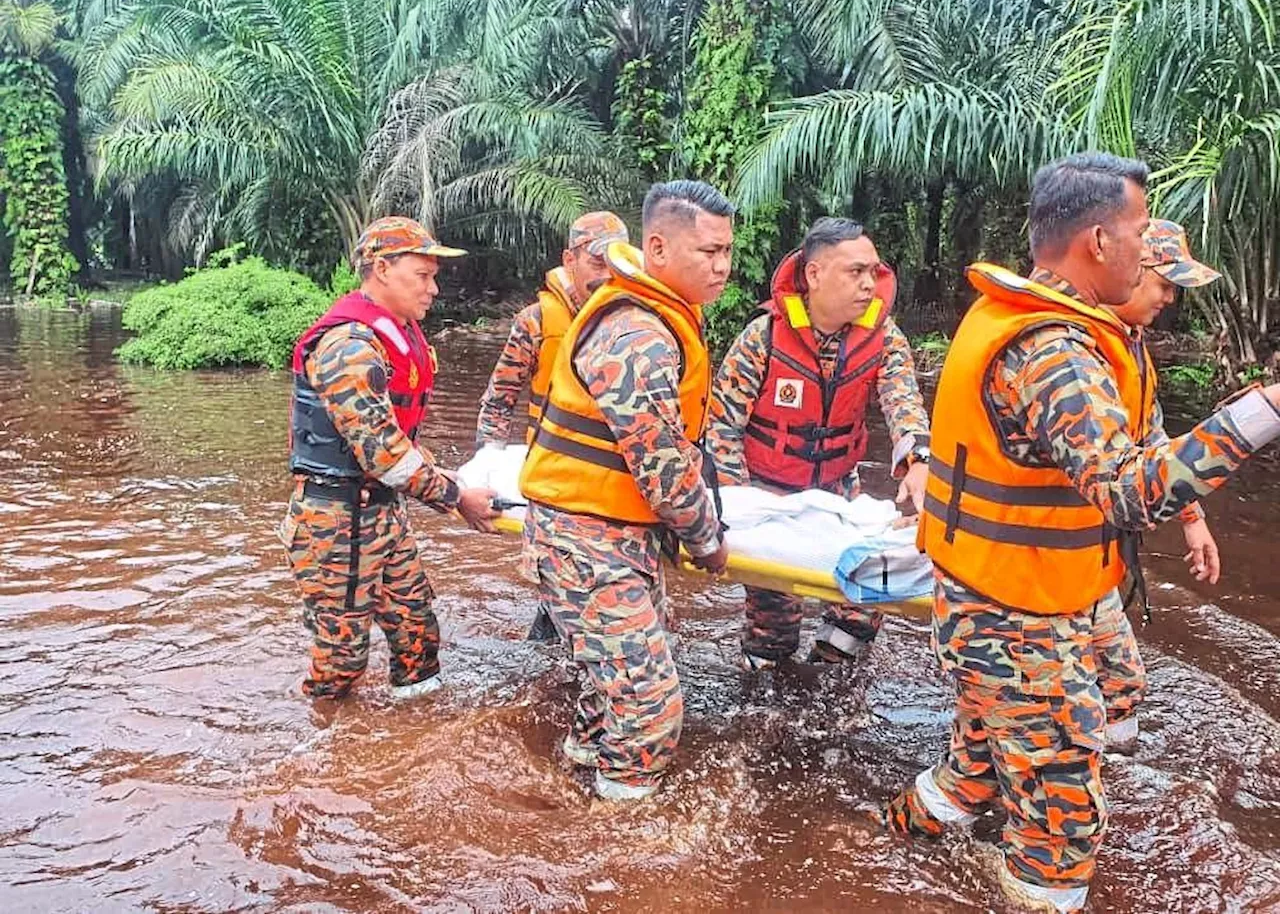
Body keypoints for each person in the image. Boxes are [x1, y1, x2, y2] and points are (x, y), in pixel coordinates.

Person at [883, 153, 1280, 913]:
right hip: (1014, 618)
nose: (1144, 251)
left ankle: (875, 848)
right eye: (1137, 230)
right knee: (1060, 838)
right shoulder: (1054, 353)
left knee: (975, 772)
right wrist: (1263, 410)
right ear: (1099, 240)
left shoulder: (1054, 323)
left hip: (1009, 596)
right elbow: (1132, 493)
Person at [517, 180, 733, 800]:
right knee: (650, 713)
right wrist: (707, 542)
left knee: (608, 689)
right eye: (707, 251)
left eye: (727, 252)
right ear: (658, 247)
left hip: (612, 535)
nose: (721, 267)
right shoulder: (638, 333)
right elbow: (663, 469)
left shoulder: (658, 316)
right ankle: (618, 849)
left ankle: (577, 777)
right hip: (586, 538)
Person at [281, 216, 498, 701]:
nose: (433, 289)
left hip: (380, 513)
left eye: (433, 277)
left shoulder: (393, 338)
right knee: (340, 664)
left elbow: (400, 443)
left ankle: (414, 734)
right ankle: (329, 752)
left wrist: (446, 479)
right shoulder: (349, 348)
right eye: (422, 276)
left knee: (416, 632)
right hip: (333, 522)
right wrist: (457, 496)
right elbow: (383, 454)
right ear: (381, 268)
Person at [706, 217, 931, 670]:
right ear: (814, 274)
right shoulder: (763, 337)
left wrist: (919, 461)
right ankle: (767, 704)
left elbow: (904, 406)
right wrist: (735, 509)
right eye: (855, 272)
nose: (869, 284)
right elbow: (722, 429)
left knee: (863, 604)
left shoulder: (885, 339)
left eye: (873, 271)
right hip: (766, 497)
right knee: (774, 626)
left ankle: (830, 690)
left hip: (837, 493)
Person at [1095, 218, 1224, 751]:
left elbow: (1151, 438)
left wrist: (1194, 521)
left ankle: (1121, 776)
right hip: (1046, 561)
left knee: (1120, 686)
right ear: (1129, 268)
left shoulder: (1132, 345)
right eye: (1164, 283)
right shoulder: (1073, 351)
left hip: (1092, 552)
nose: (1170, 298)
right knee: (1118, 679)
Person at [475, 211, 630, 447]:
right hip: (550, 468)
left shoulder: (639, 321)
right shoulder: (536, 321)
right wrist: (489, 457)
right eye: (597, 264)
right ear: (569, 260)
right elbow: (498, 401)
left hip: (613, 468)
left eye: (616, 265)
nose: (608, 276)